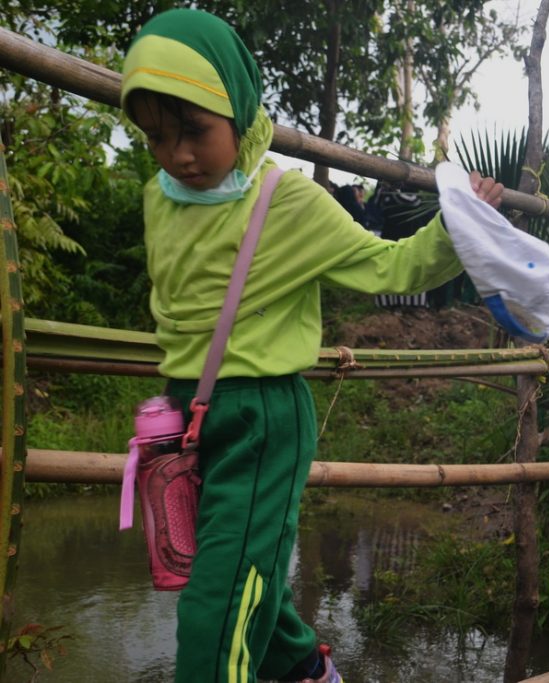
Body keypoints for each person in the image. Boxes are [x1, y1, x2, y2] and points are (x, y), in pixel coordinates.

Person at [120, 10, 504, 681]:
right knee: (235, 572)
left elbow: (395, 269)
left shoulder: (286, 204)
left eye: (194, 131)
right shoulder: (160, 197)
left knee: (217, 609)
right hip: (187, 415)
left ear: (239, 112)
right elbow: (174, 304)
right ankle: (307, 669)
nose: (177, 153)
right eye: (156, 136)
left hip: (260, 421)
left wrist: (458, 224)